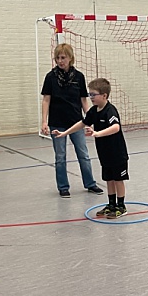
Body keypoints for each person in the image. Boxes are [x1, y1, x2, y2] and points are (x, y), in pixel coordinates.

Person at [52, 78, 130, 218]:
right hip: (104, 153)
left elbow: (116, 127)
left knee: (118, 179)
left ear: (104, 95)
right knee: (109, 179)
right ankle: (111, 204)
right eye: (90, 94)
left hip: (117, 153)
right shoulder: (94, 111)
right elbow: (82, 123)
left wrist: (98, 133)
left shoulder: (110, 110)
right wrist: (64, 133)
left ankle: (121, 206)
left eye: (94, 94)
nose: (91, 97)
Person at [40, 43, 103, 198]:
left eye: (63, 57)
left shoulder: (79, 77)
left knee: (83, 154)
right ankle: (63, 186)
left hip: (76, 122)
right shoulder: (50, 77)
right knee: (60, 156)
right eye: (57, 58)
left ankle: (90, 183)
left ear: (70, 58)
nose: (60, 61)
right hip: (57, 123)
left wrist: (90, 120)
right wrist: (44, 121)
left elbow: (83, 100)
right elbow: (46, 100)